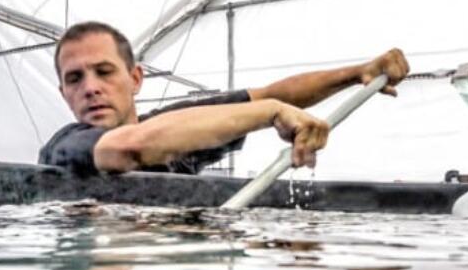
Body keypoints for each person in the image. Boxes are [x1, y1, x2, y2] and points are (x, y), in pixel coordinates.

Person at [39, 21, 409, 176]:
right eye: (75, 79)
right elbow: (131, 147)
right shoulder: (64, 148)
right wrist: (271, 112)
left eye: (104, 72)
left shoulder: (177, 124)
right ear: (64, 94)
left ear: (135, 78)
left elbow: (271, 94)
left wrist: (358, 72)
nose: (90, 87)